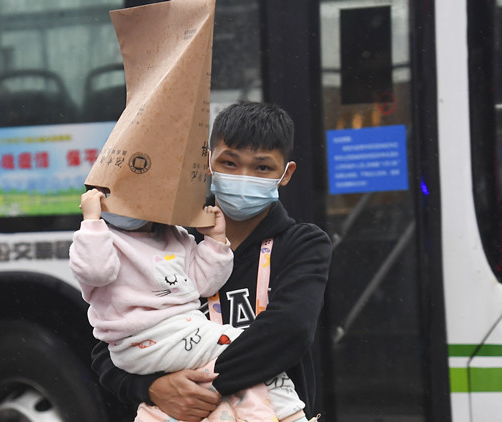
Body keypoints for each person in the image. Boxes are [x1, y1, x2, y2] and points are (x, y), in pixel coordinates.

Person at [91, 101, 333, 421]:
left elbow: (289, 332)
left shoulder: (302, 244)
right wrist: (154, 388)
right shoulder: (169, 239)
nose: (244, 177)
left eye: (262, 168)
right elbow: (108, 343)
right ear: (208, 162)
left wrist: (205, 387)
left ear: (285, 174)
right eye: (230, 163)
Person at [70, 176, 310, 419]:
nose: (132, 200)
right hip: (149, 339)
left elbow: (204, 283)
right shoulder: (99, 240)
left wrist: (216, 241)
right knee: (252, 350)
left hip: (181, 333)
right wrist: (92, 222)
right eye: (110, 193)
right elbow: (96, 271)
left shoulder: (175, 234)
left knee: (212, 388)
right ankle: (293, 416)